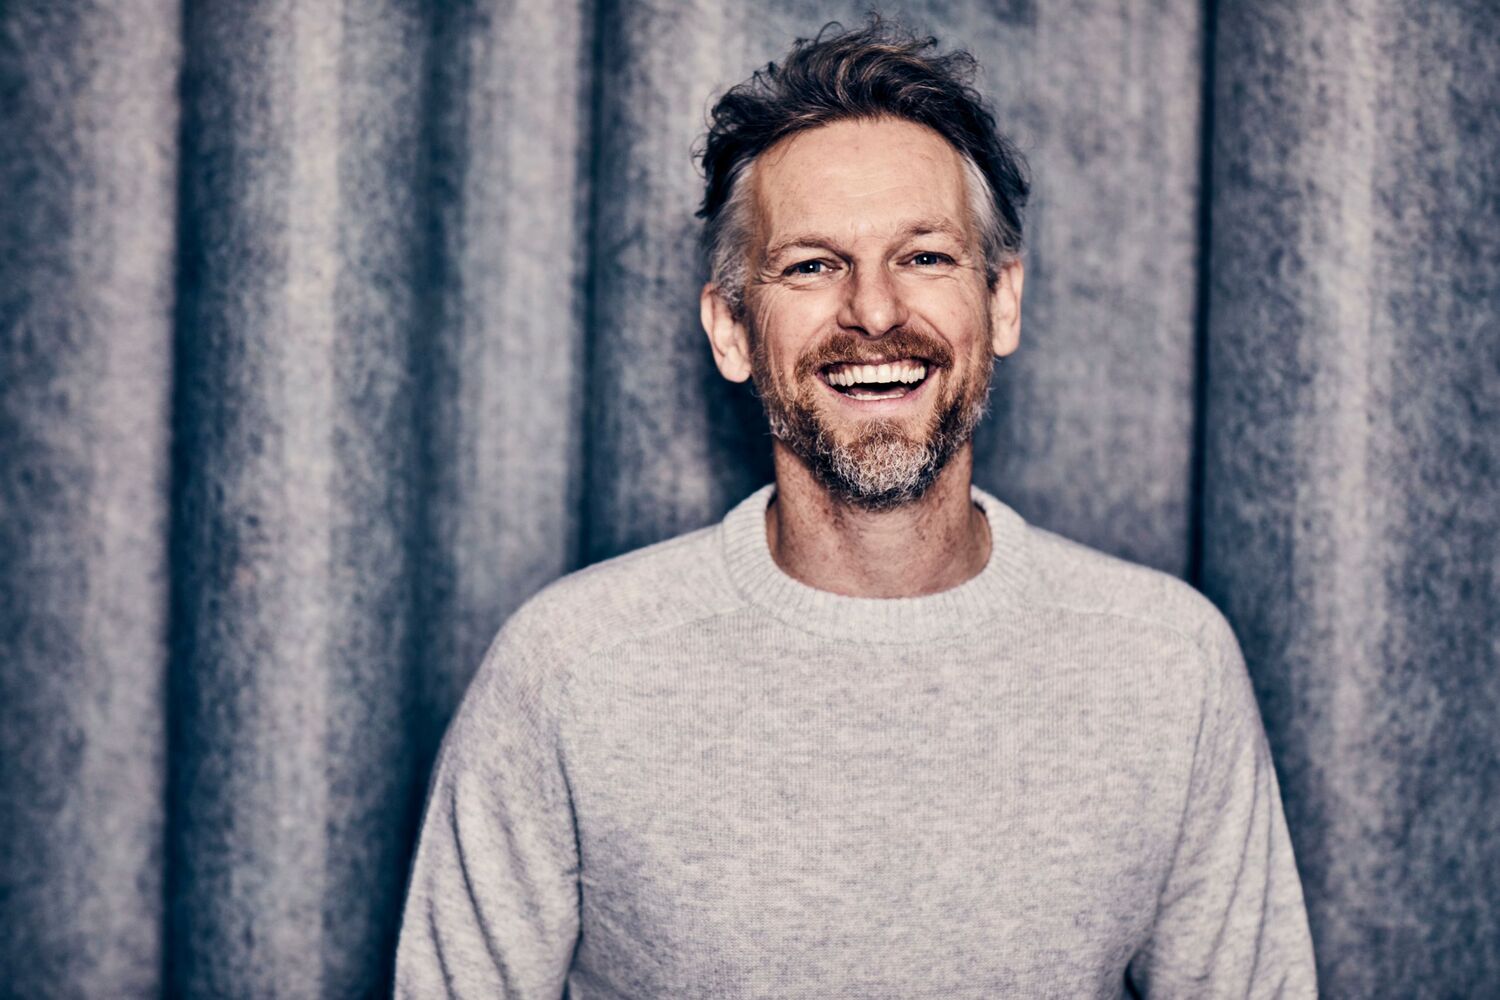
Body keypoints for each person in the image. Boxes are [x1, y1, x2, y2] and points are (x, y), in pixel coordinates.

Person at [394, 19, 1317, 999]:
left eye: (925, 257)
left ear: (1002, 302)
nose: (874, 311)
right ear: (731, 329)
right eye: (811, 265)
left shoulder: (1169, 666)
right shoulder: (569, 671)